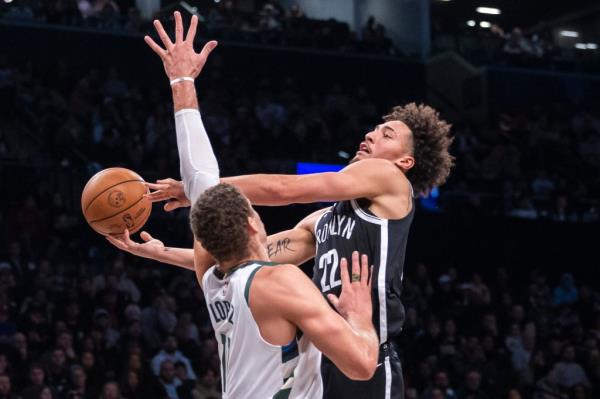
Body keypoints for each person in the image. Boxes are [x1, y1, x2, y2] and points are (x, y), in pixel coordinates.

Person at [110, 10, 453, 399]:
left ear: (404, 162)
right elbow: (248, 256)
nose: (370, 136)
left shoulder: (390, 179)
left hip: (370, 348)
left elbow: (282, 190)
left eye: (386, 134)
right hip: (329, 346)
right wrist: (161, 252)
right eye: (373, 129)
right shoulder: (323, 221)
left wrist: (203, 188)